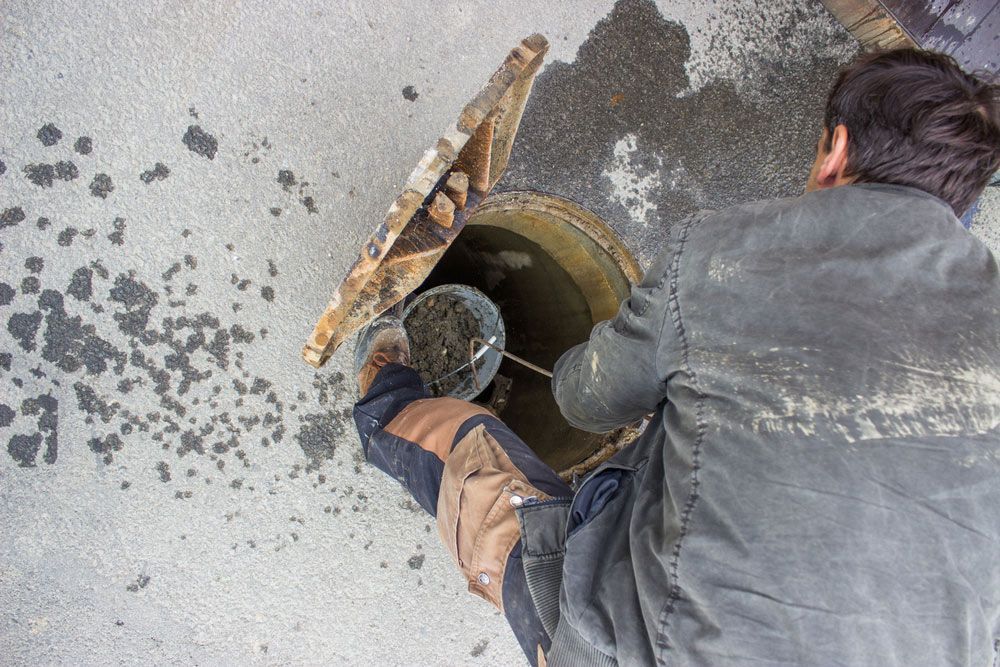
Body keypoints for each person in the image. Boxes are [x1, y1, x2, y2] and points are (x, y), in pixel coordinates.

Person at [352, 48, 1000, 666]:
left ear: (836, 150)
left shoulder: (727, 254)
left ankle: (384, 395)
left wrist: (582, 372)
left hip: (634, 646)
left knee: (472, 460)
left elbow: (586, 400)